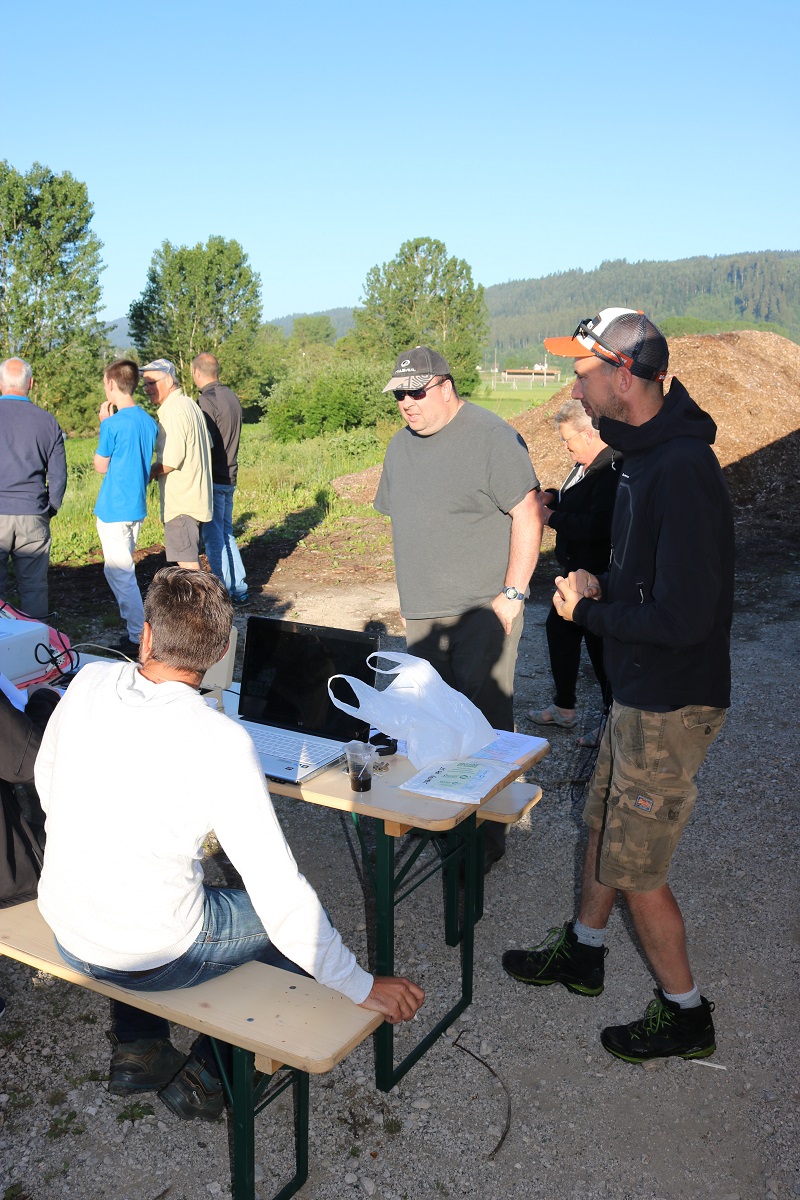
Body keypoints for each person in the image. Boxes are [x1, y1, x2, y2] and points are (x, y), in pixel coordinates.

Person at [35, 567, 423, 1120]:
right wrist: (360, 985)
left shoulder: (89, 682)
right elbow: (278, 889)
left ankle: (139, 1047)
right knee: (296, 932)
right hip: (149, 956)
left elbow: (49, 787)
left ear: (147, 634)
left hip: (68, 929)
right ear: (221, 654)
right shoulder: (219, 740)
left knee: (144, 889)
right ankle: (210, 1073)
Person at [502, 309, 734, 1063]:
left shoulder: (682, 468)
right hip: (639, 691)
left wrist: (591, 613)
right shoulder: (639, 454)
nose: (574, 387)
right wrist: (606, 582)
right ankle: (584, 949)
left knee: (638, 868)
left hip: (671, 701)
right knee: (602, 824)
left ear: (624, 375)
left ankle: (687, 1014)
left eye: (582, 372)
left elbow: (688, 617)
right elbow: (655, 583)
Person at [374, 346, 543, 869]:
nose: (406, 403)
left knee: (483, 731)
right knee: (431, 727)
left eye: (416, 392)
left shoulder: (491, 436)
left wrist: (512, 595)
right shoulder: (399, 447)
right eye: (399, 395)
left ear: (445, 386)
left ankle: (483, 845)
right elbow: (411, 525)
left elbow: (529, 513)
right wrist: (409, 601)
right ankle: (441, 820)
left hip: (481, 613)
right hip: (424, 613)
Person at [528, 397, 619, 747]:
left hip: (596, 578)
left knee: (601, 650)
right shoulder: (585, 464)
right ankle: (564, 708)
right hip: (573, 574)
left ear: (588, 434)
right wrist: (552, 497)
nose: (566, 448)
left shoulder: (611, 469)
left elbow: (599, 525)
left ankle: (613, 722)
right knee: (559, 633)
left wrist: (551, 518)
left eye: (568, 440)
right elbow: (575, 499)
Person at [93, 359, 158, 657]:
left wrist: (103, 424)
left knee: (121, 573)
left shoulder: (112, 424)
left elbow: (100, 465)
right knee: (116, 570)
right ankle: (134, 629)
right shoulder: (148, 421)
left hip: (114, 508)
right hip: (135, 506)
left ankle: (138, 637)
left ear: (111, 384)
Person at [0, 358, 67, 620]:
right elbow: (58, 475)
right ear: (31, 383)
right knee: (34, 589)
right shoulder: (47, 421)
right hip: (33, 512)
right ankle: (35, 639)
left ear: (1, 383)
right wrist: (50, 508)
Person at [144, 359, 213, 571]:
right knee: (190, 562)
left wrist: (145, 473)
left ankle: (205, 595)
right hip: (195, 498)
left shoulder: (173, 411)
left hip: (181, 503)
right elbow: (208, 444)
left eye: (151, 383)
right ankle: (205, 593)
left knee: (188, 565)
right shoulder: (189, 404)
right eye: (145, 384)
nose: (147, 389)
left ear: (168, 381)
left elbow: (169, 463)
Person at [191, 353, 249, 605]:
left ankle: (223, 592)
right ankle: (239, 589)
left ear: (197, 372)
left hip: (214, 477)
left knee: (214, 539)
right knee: (226, 534)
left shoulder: (206, 400)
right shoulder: (231, 396)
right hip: (230, 474)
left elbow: (206, 442)